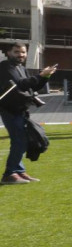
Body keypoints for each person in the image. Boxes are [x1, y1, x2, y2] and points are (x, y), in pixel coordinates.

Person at [1, 43, 55, 185]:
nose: (21, 55)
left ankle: (18, 171)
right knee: (19, 140)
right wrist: (40, 75)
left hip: (20, 109)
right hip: (10, 110)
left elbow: (33, 86)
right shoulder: (6, 67)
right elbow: (20, 84)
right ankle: (9, 174)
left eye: (23, 52)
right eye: (17, 52)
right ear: (8, 52)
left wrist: (45, 77)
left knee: (22, 139)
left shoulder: (21, 68)